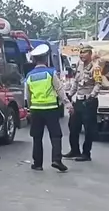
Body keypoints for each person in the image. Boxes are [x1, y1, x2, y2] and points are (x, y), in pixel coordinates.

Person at [25, 44, 73, 172]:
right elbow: (59, 90)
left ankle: (37, 164)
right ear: (46, 59)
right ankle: (56, 160)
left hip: (35, 109)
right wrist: (68, 104)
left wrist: (30, 109)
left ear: (34, 60)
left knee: (37, 137)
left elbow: (28, 96)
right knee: (55, 135)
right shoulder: (51, 73)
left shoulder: (29, 76)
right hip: (51, 109)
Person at [64, 43, 102, 162]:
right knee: (73, 126)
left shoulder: (95, 68)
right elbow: (76, 82)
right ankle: (74, 150)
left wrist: (92, 96)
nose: (82, 55)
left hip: (89, 101)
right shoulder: (79, 66)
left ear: (90, 54)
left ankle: (86, 153)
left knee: (88, 129)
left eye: (84, 52)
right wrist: (70, 94)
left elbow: (98, 84)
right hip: (79, 101)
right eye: (80, 53)